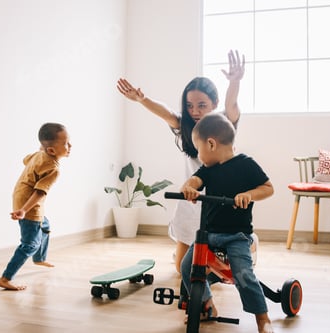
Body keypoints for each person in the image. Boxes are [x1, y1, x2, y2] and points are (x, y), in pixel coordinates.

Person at [117, 50, 247, 273]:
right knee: (182, 269)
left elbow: (232, 104)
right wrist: (142, 99)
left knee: (211, 267)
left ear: (214, 103)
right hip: (192, 199)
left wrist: (234, 82)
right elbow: (167, 113)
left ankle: (243, 249)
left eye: (201, 105)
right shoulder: (187, 126)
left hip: (220, 200)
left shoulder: (224, 123)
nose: (194, 111)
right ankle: (195, 255)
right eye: (189, 105)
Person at [179, 113, 274, 333]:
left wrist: (249, 195)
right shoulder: (208, 169)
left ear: (211, 143)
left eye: (198, 148)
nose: (199, 155)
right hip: (208, 234)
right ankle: (207, 305)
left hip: (236, 236)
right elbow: (195, 180)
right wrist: (189, 188)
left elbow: (268, 188)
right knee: (187, 267)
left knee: (243, 275)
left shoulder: (246, 165)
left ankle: (262, 317)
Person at [0, 122, 72, 291]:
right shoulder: (54, 168)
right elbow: (40, 192)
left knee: (45, 226)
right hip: (29, 204)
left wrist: (43, 149)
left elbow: (25, 160)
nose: (70, 146)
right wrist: (24, 210)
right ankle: (5, 278)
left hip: (19, 195)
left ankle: (39, 258)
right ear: (51, 150)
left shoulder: (39, 154)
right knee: (30, 244)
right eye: (66, 143)